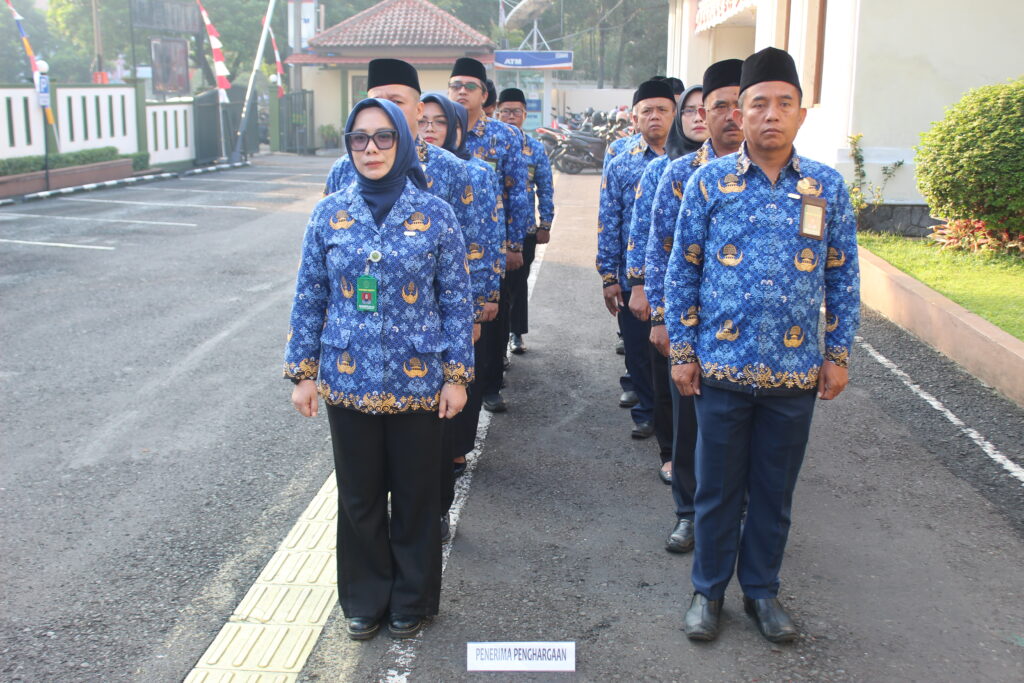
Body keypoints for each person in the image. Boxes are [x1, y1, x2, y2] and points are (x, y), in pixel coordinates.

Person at [665, 47, 860, 643]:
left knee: (774, 492)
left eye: (783, 104)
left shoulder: (825, 186)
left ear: (801, 113)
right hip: (722, 368)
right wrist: (683, 352)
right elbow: (683, 270)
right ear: (738, 115)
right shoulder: (709, 182)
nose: (770, 114)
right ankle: (707, 593)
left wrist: (837, 354)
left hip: (794, 372)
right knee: (717, 490)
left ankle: (762, 592)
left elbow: (842, 276)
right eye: (758, 104)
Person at [284, 98, 474, 642]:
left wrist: (457, 376)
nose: (371, 149)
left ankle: (412, 598)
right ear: (349, 145)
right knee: (359, 498)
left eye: (384, 137)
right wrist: (303, 373)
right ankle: (365, 599)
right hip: (349, 378)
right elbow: (310, 295)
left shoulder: (435, 214)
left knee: (416, 497)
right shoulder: (329, 214)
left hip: (419, 380)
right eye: (359, 138)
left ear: (403, 142)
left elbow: (456, 300)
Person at [641, 59, 745, 555]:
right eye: (718, 106)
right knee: (689, 426)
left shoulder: (785, 179)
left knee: (743, 431)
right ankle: (688, 512)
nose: (730, 115)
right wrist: (661, 318)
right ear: (704, 114)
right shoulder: (681, 173)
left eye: (739, 104)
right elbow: (659, 249)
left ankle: (737, 511)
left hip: (749, 334)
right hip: (692, 326)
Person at [418, 92, 505, 541]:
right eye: (424, 121)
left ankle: (447, 474)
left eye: (440, 122)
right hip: (410, 321)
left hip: (452, 308)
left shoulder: (473, 173)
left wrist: (482, 300)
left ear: (456, 128)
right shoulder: (401, 172)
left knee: (449, 401)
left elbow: (484, 238)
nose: (429, 129)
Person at [322, 59, 477, 269]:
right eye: (377, 101)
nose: (386, 109)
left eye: (396, 102)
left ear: (419, 109)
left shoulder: (450, 167)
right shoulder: (344, 168)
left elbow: (469, 245)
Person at [624, 82, 703, 487]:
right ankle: (672, 453)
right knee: (671, 379)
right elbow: (645, 235)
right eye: (691, 110)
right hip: (670, 295)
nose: (699, 118)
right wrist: (640, 288)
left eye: (708, 108)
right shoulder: (663, 170)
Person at [448, 57, 531, 413]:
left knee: (491, 319)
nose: (461, 92)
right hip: (446, 245)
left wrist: (514, 245)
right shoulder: (438, 131)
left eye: (470, 86)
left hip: (491, 246)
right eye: (455, 86)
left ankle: (490, 386)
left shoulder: (505, 136)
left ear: (484, 95)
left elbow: (517, 193)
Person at [597, 79, 676, 441]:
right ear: (634, 117)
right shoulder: (621, 163)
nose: (655, 116)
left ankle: (676, 419)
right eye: (647, 111)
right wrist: (609, 276)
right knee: (639, 350)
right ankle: (647, 412)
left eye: (662, 109)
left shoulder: (692, 162)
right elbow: (608, 219)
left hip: (679, 276)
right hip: (635, 277)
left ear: (675, 114)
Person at [496, 87, 555, 355]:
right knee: (496, 287)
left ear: (524, 114)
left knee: (518, 283)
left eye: (515, 112)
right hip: (492, 230)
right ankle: (497, 344)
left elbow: (545, 187)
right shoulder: (491, 145)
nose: (510, 116)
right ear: (498, 113)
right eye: (505, 111)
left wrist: (546, 223)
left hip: (525, 229)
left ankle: (516, 333)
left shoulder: (535, 149)